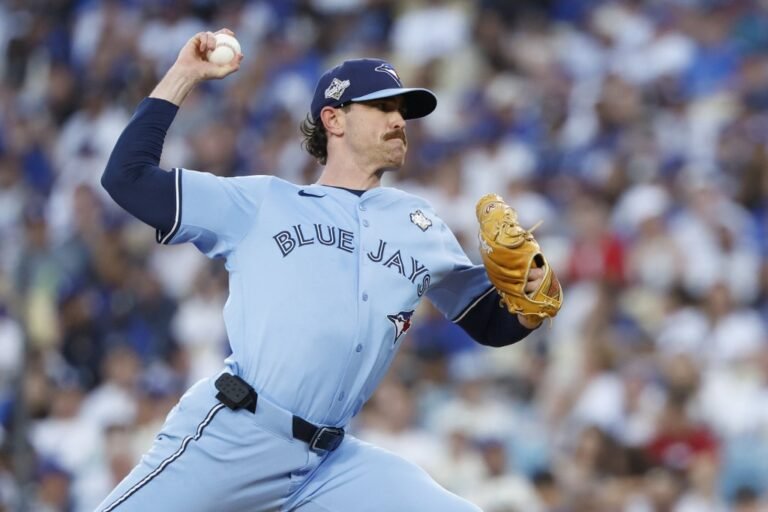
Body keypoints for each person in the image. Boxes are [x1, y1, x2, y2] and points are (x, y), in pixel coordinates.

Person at [95, 29, 546, 512]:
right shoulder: (262, 202)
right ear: (333, 119)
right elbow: (127, 177)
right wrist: (185, 73)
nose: (399, 120)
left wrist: (531, 299)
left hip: (330, 465)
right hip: (237, 438)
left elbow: (491, 321)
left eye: (402, 111)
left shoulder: (420, 224)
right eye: (382, 107)